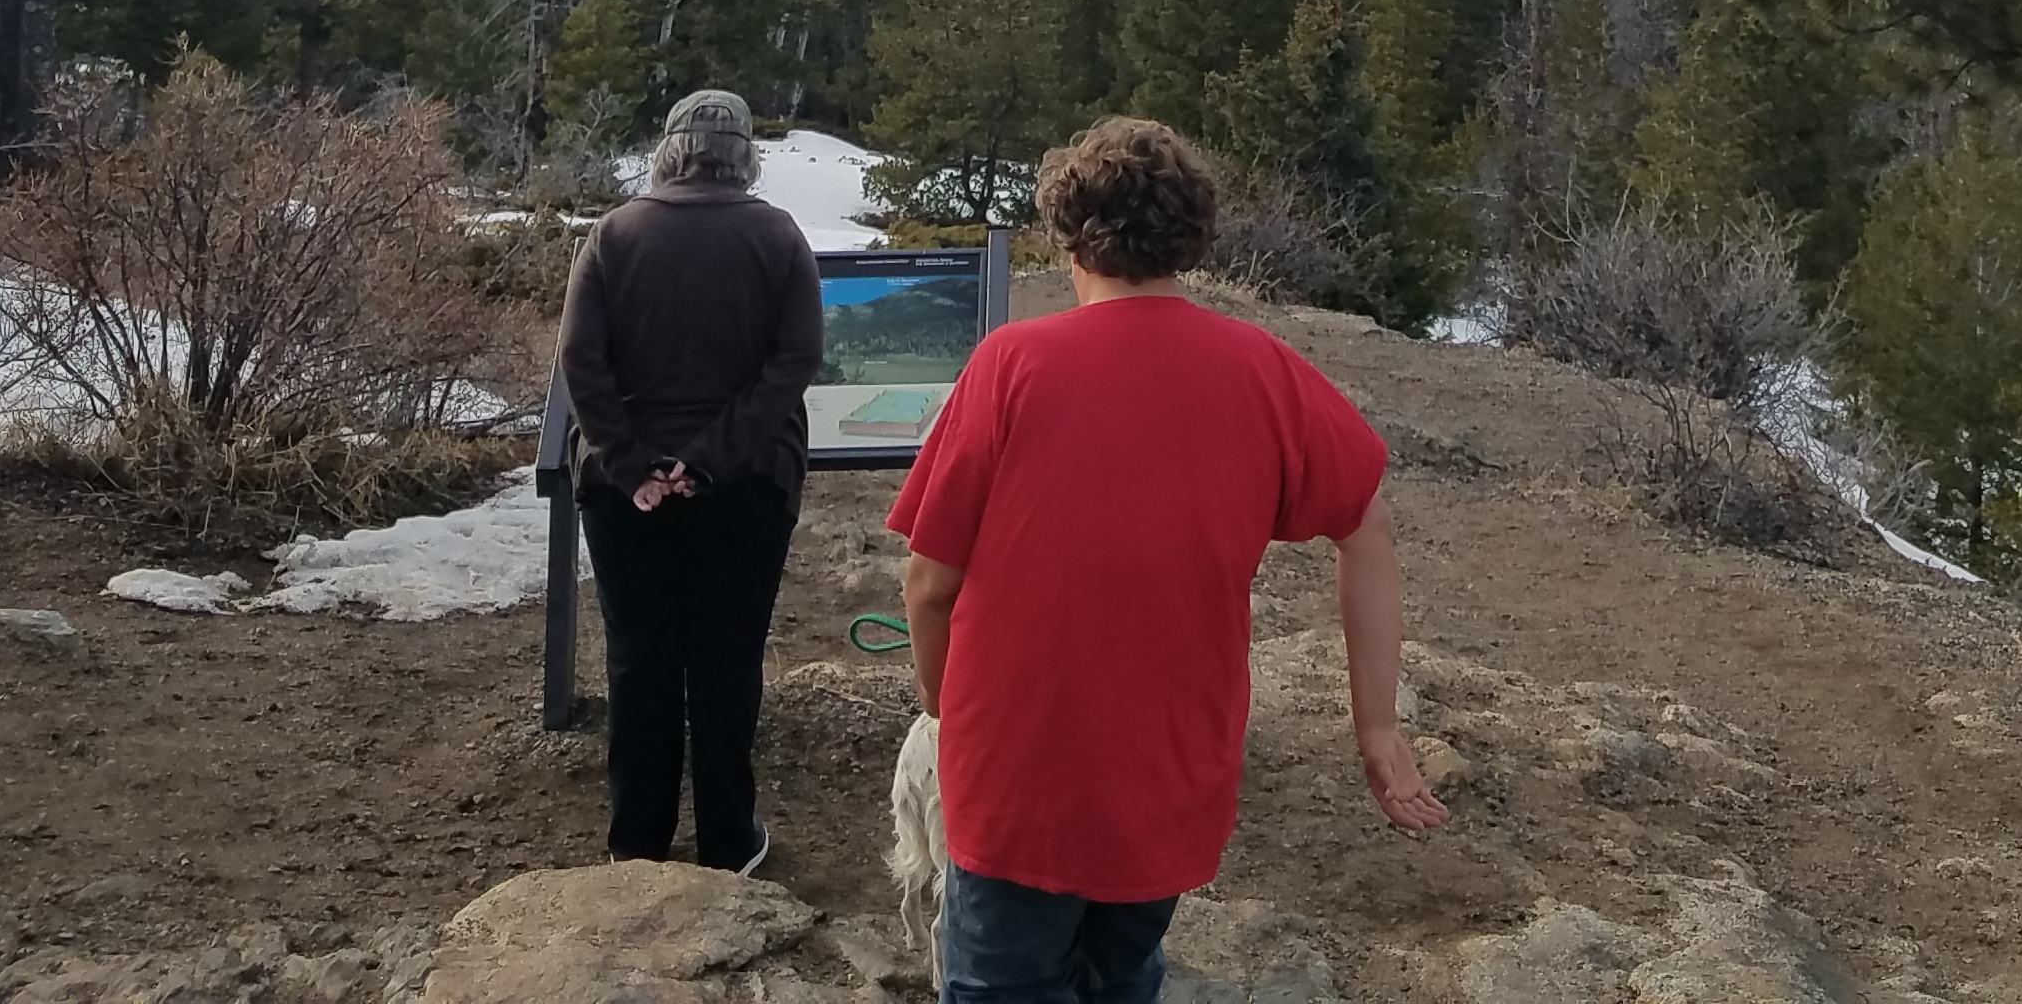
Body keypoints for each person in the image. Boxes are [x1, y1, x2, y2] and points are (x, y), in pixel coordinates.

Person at [888, 117, 1444, 1004]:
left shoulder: (1011, 364)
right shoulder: (1262, 369)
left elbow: (928, 584)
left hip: (1014, 781)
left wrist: (942, 707)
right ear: (1191, 238)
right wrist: (1375, 727)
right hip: (1170, 781)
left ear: (1070, 236)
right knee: (1122, 978)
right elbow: (1366, 530)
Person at [556, 87, 824, 871]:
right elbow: (795, 360)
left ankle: (635, 843)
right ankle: (728, 843)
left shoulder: (612, 235)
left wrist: (632, 463)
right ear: (745, 155)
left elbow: (580, 361)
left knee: (639, 659)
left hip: (621, 491)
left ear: (668, 151)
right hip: (746, 486)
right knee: (727, 659)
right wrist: (711, 458)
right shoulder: (778, 237)